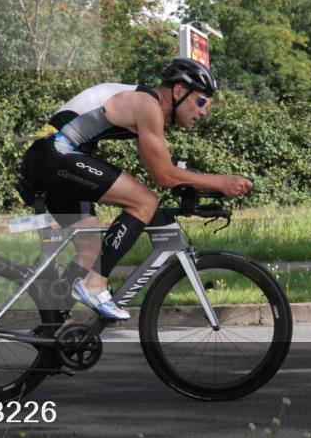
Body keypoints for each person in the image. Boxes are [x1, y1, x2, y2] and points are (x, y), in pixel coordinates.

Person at [19, 57, 253, 320]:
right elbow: (165, 177)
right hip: (54, 155)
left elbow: (159, 172)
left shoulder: (146, 108)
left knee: (91, 249)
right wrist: (222, 181)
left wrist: (198, 182)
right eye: (201, 102)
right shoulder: (147, 105)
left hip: (50, 159)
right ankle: (94, 286)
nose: (204, 112)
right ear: (179, 91)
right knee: (144, 202)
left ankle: (52, 327)